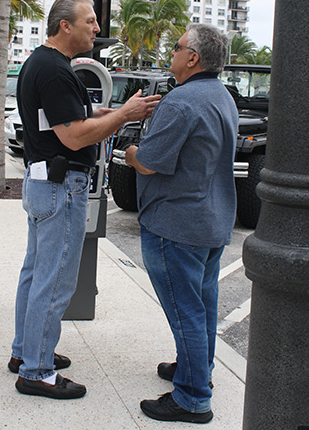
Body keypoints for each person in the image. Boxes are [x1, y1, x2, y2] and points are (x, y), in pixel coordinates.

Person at [10, 0, 161, 400]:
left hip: (42, 182)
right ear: (66, 26)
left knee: (35, 273)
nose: (97, 28)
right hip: (60, 188)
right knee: (54, 280)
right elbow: (73, 134)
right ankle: (37, 372)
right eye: (90, 21)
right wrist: (122, 118)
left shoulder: (40, 63)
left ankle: (25, 353)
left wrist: (117, 110)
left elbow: (71, 114)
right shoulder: (57, 71)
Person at [125, 23, 238, 424]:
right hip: (212, 220)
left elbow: (150, 163)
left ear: (192, 57)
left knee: (185, 310)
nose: (171, 53)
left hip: (176, 223)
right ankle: (197, 370)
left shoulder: (182, 100)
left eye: (176, 47)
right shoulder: (222, 96)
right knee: (202, 306)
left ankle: (192, 397)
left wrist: (131, 152)